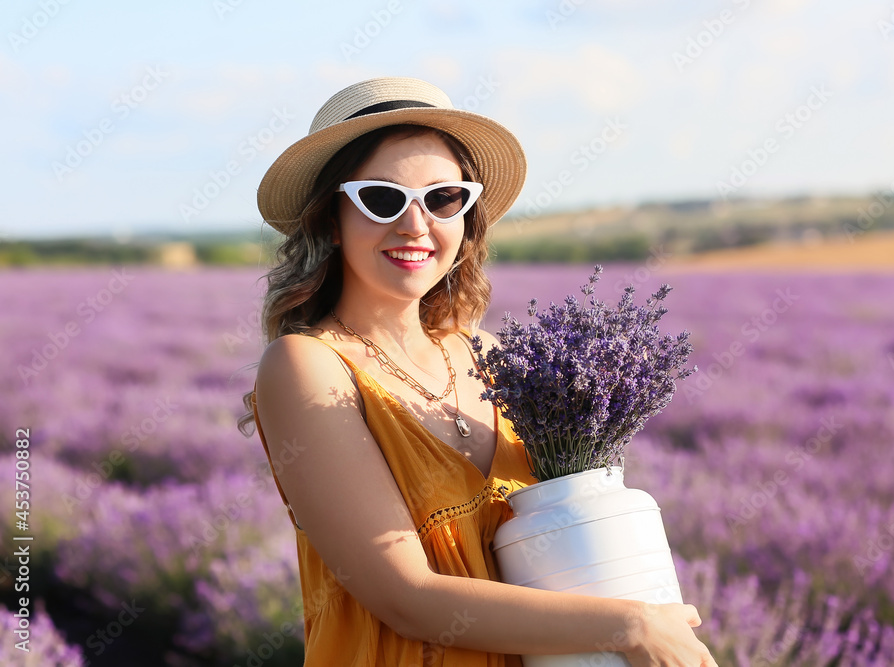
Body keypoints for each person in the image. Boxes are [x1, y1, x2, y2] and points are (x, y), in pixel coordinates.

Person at [240, 76, 717, 666]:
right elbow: (405, 597)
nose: (415, 225)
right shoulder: (307, 366)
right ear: (331, 221)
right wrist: (632, 626)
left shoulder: (492, 356)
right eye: (382, 199)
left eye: (443, 199)